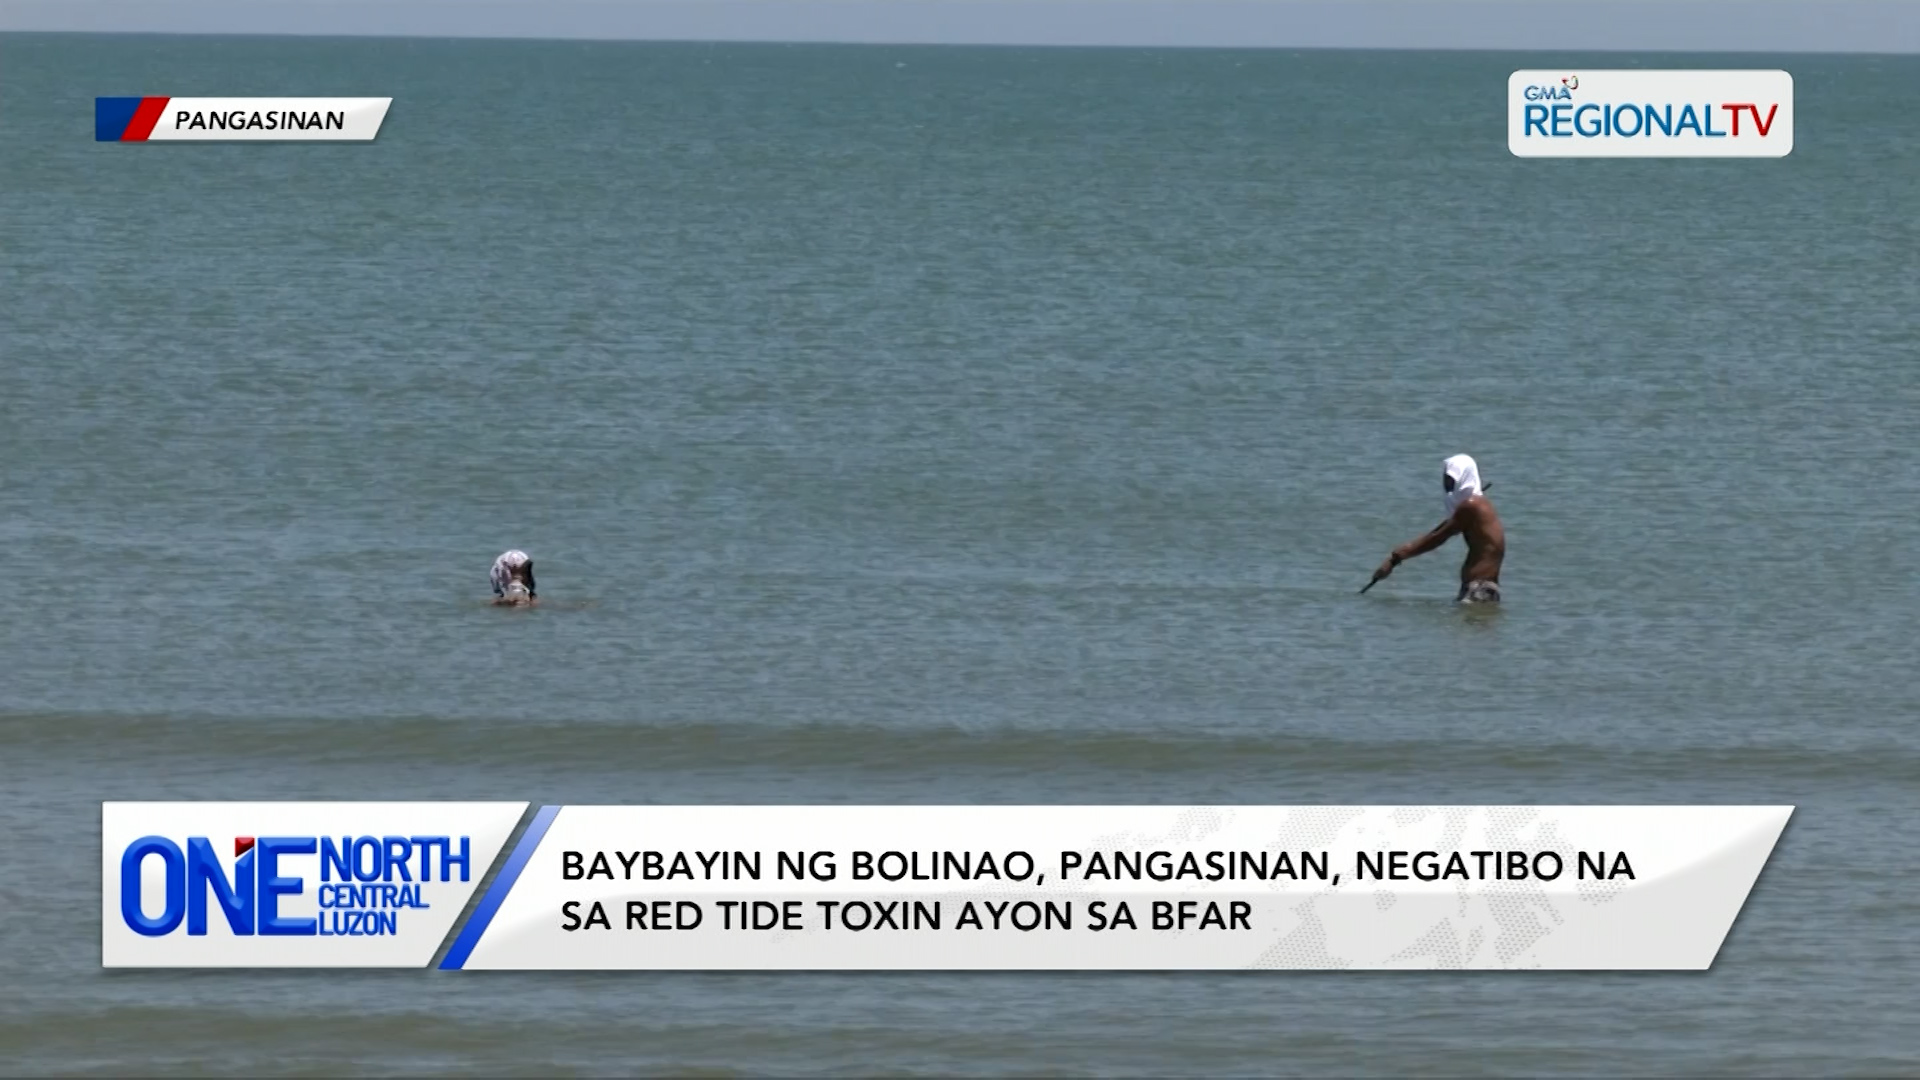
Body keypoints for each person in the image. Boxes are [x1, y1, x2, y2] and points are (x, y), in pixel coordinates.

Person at [1367, 454, 1505, 603]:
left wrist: (1396, 558)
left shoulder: (1471, 506)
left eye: (1451, 479)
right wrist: (1395, 558)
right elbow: (1440, 530)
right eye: (1446, 479)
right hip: (1483, 586)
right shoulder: (1476, 505)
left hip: (1479, 588)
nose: (1447, 484)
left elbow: (1438, 538)